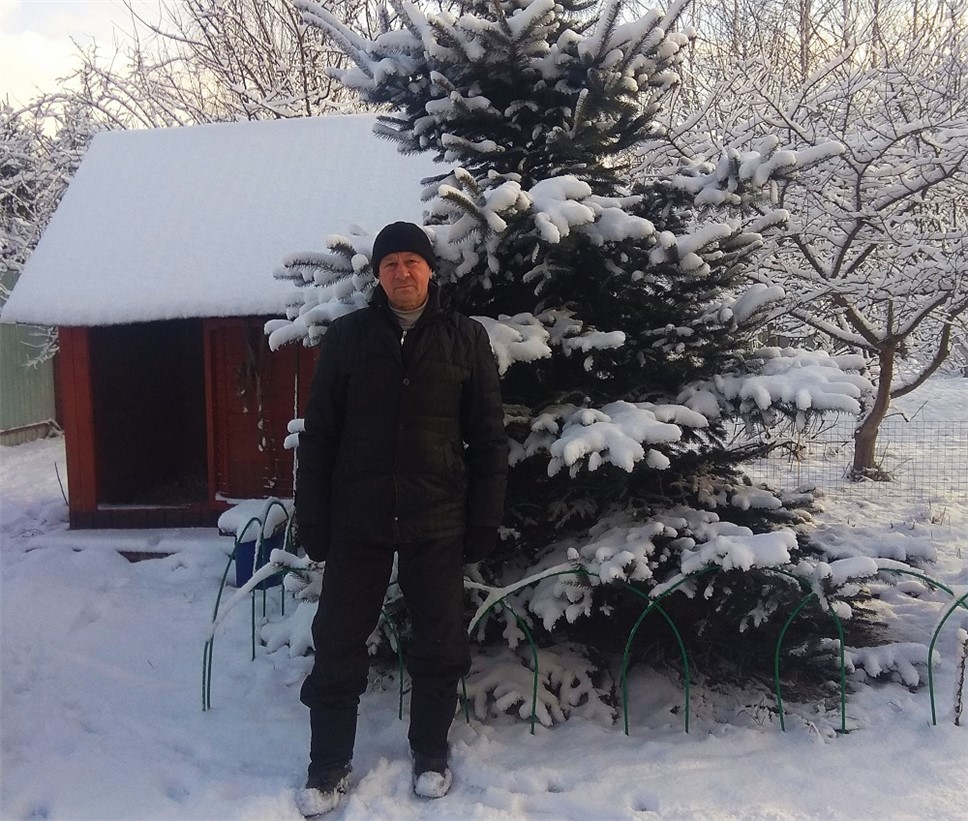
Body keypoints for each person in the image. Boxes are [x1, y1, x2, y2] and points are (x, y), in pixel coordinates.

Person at [293, 221, 508, 817]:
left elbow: (488, 437)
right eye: (390, 264)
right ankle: (327, 764)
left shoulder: (466, 339)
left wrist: (484, 519)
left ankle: (431, 753)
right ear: (378, 275)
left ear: (430, 270)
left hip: (437, 518)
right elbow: (320, 434)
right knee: (337, 641)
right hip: (357, 520)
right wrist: (314, 516)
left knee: (440, 642)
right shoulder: (348, 338)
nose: (402, 272)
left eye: (412, 261)